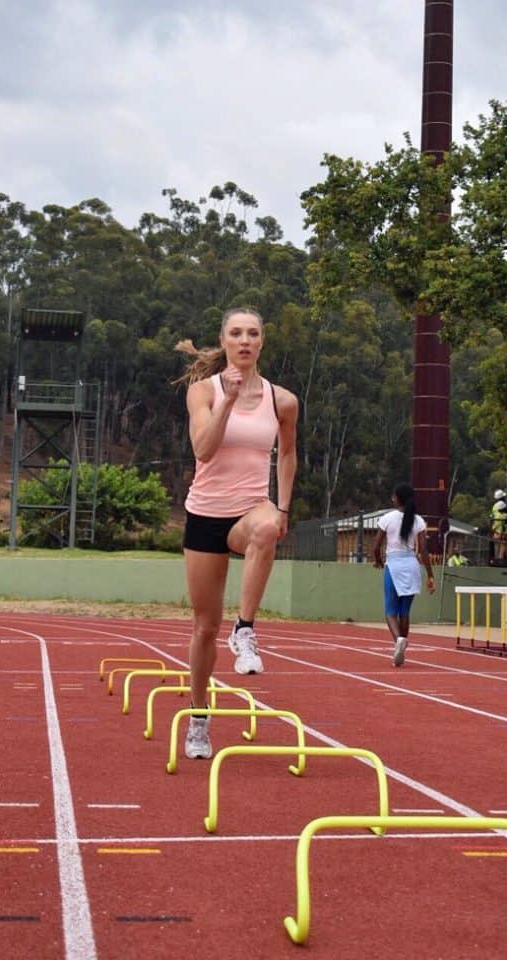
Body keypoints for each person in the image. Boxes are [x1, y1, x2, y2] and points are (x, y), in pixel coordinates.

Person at [175, 307, 298, 759]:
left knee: (266, 529)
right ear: (223, 341)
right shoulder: (201, 392)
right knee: (204, 628)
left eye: (252, 334)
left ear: (262, 342)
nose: (244, 341)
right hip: (206, 514)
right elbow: (203, 451)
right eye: (236, 333)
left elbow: (287, 454)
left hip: (250, 509)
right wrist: (226, 400)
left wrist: (282, 506)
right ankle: (199, 718)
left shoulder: (281, 400)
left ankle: (245, 630)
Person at [372, 482, 435, 667]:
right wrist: (430, 575)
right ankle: (402, 645)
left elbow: (376, 546)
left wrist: (378, 560)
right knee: (404, 611)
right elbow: (423, 551)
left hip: (394, 565)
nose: (392, 499)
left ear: (398, 498)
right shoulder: (418, 521)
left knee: (390, 611)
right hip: (412, 565)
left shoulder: (387, 518)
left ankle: (398, 640)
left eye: (393, 496)